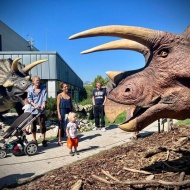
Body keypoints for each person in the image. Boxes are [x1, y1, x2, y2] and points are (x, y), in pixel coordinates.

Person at [27, 76, 47, 147]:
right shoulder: (30, 90)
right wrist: (34, 105)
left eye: (39, 80)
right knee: (33, 126)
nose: (38, 81)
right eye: (36, 80)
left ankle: (43, 140)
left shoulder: (43, 88)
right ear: (33, 81)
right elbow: (29, 99)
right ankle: (34, 140)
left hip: (41, 111)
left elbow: (44, 97)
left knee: (42, 125)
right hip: (33, 110)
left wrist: (43, 103)